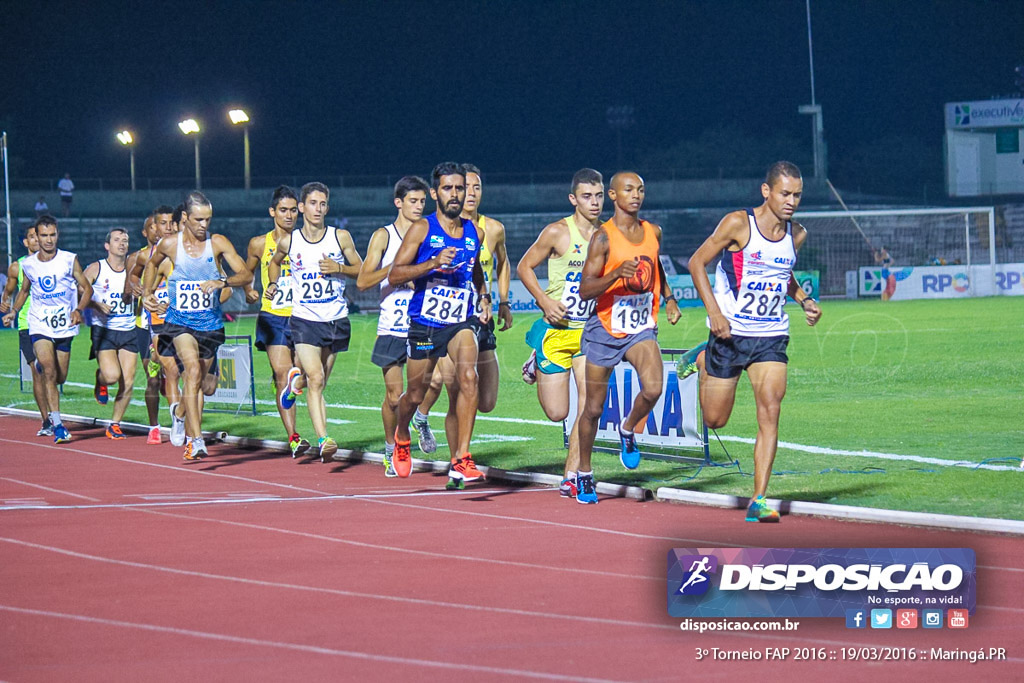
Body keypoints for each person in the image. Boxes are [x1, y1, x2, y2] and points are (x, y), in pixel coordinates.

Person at [680, 161, 822, 522]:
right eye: (785, 193)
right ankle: (702, 360)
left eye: (797, 195)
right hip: (729, 335)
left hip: (771, 336)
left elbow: (782, 273)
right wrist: (713, 312)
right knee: (714, 420)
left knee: (771, 410)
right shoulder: (738, 223)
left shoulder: (797, 233)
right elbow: (697, 262)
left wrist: (805, 300)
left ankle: (758, 499)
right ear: (766, 191)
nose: (791, 201)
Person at [575, 172, 681, 504]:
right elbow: (585, 288)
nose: (636, 195)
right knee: (592, 409)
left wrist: (669, 297)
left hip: (640, 327)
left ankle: (627, 429)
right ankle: (585, 473)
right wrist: (615, 275)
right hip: (604, 329)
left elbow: (657, 266)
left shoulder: (653, 231)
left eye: (641, 190)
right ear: (613, 195)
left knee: (654, 387)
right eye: (629, 190)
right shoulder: (603, 238)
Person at [389, 162, 491, 485]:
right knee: (416, 395)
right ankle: (402, 434)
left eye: (460, 188)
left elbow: (475, 270)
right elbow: (395, 274)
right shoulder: (422, 229)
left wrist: (484, 294)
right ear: (435, 193)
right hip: (425, 322)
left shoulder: (476, 231)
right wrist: (433, 263)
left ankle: (461, 457)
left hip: (459, 321)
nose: (455, 194)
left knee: (468, 377)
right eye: (448, 188)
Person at [143, 192, 251, 461]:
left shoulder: (218, 244)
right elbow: (151, 265)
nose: (204, 224)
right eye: (198, 219)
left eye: (208, 219)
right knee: (190, 370)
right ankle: (196, 440)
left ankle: (179, 414)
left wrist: (222, 283)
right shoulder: (170, 244)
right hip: (178, 323)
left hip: (210, 325)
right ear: (185, 219)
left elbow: (246, 274)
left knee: (205, 383)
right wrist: (146, 294)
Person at [516, 168, 604, 498]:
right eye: (586, 196)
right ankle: (536, 360)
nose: (594, 203)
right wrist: (544, 300)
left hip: (589, 333)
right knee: (558, 413)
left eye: (598, 195)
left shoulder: (607, 236)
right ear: (573, 199)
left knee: (587, 405)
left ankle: (572, 475)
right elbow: (525, 266)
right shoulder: (557, 232)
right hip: (556, 330)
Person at [267, 182, 362, 462]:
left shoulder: (339, 237)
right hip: (305, 320)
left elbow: (362, 268)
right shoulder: (289, 241)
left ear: (327, 208)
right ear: (302, 207)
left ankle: (295, 385)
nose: (318, 209)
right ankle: (324, 439)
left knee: (318, 383)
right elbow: (274, 262)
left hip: (336, 319)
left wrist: (340, 268)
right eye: (312, 203)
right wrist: (273, 282)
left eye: (322, 204)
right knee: (317, 379)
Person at [356, 175, 428, 476]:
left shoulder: (428, 233)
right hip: (391, 327)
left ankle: (418, 421)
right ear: (398, 202)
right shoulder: (383, 236)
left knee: (425, 388)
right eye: (413, 201)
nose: (419, 206)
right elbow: (362, 281)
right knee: (393, 395)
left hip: (422, 323)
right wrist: (396, 270)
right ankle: (392, 446)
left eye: (423, 201)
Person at [3, 215, 94, 443]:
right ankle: (58, 424)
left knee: (60, 377)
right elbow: (24, 290)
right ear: (38, 237)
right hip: (39, 324)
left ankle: (49, 377)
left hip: (64, 325)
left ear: (57, 234)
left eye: (52, 234)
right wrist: (14, 311)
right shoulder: (28, 264)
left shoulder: (68, 260)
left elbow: (87, 289)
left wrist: (78, 310)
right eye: (44, 235)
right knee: (49, 370)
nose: (48, 239)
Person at [242, 186, 310, 458]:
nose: (289, 215)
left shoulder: (308, 241)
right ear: (273, 212)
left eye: (294, 209)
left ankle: (288, 385)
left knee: (305, 374)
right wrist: (249, 291)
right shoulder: (259, 244)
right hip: (274, 315)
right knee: (284, 373)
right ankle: (293, 437)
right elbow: (247, 273)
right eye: (283, 210)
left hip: (306, 316)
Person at [125, 207, 179, 444]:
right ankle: (154, 426)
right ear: (152, 228)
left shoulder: (181, 252)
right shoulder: (143, 256)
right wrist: (136, 286)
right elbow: (133, 277)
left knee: (175, 372)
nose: (166, 228)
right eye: (161, 223)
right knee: (154, 379)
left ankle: (179, 421)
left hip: (174, 319)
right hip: (147, 322)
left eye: (170, 223)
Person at [85, 228, 138, 439]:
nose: (122, 243)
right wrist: (95, 304)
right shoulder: (96, 268)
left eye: (125, 240)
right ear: (107, 245)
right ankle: (100, 379)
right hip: (104, 330)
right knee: (112, 376)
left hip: (129, 329)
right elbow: (78, 294)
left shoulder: (134, 269)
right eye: (117, 240)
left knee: (129, 381)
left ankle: (114, 424)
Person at [0, 222, 52, 435]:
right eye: (31, 237)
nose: (36, 240)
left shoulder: (52, 263)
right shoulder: (17, 266)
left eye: (38, 236)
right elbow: (9, 291)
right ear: (26, 242)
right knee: (37, 371)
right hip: (27, 324)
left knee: (54, 371)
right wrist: (5, 304)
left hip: (50, 322)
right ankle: (47, 420)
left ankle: (53, 415)